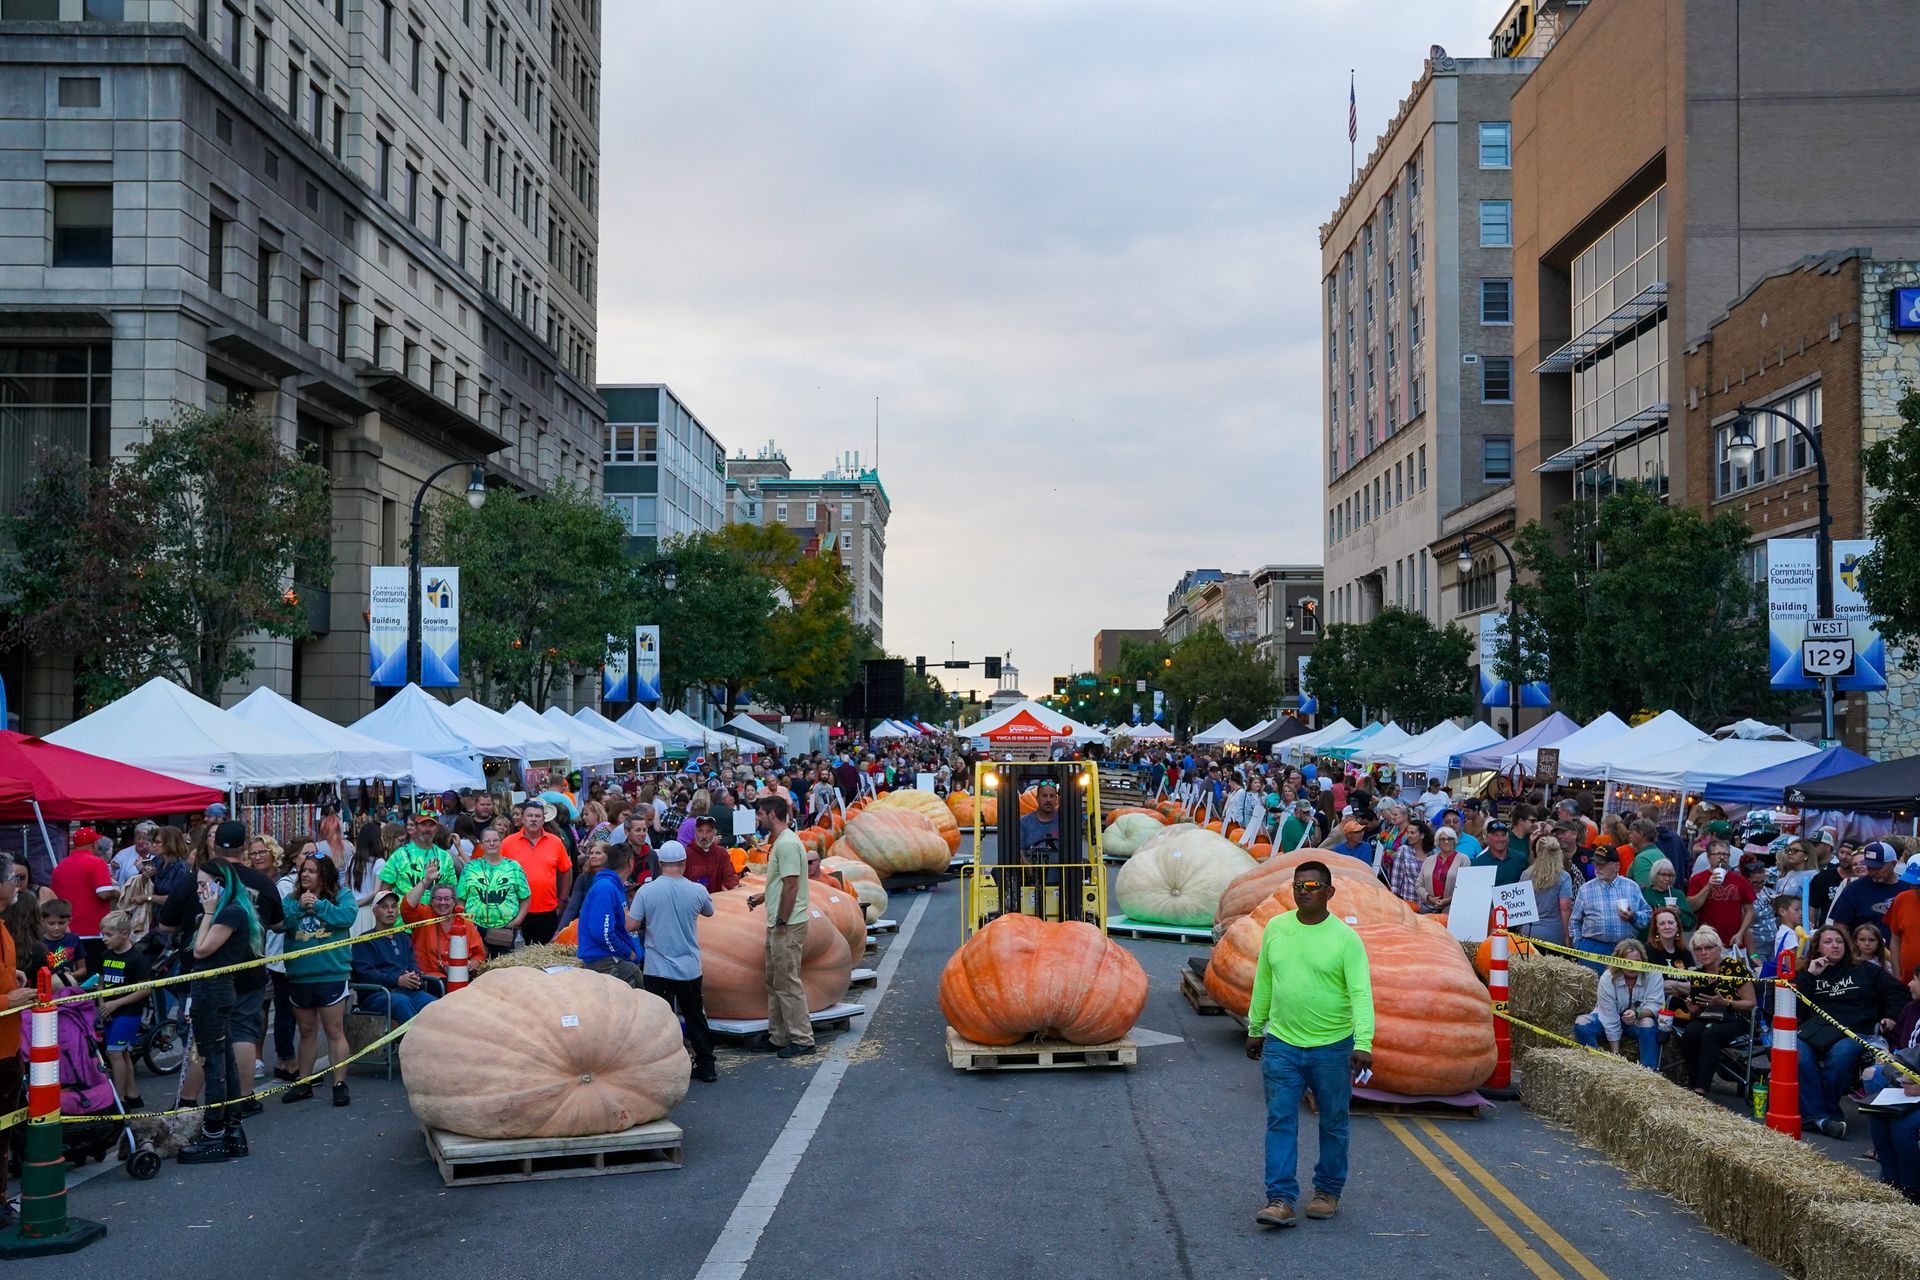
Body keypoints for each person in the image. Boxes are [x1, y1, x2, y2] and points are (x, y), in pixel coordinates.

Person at [1244, 859, 1373, 1228]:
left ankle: (1327, 1191)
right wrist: (1256, 1027)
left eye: (1313, 886)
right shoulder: (1276, 928)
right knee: (1280, 1119)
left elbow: (1361, 994)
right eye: (1299, 886)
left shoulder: (1346, 939)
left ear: (1329, 893)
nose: (1304, 891)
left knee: (1333, 1121)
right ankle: (1280, 1198)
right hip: (1282, 1043)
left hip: (1333, 1047)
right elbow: (1264, 980)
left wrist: (1363, 1042)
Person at [177, 858, 264, 1164]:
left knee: (213, 1063)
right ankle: (232, 1131)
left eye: (204, 883)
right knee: (223, 1060)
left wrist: (209, 912)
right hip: (214, 990)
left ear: (221, 883)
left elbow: (200, 950)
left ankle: (214, 1135)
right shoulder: (235, 910)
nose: (200, 890)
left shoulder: (229, 912)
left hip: (213, 990)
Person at [1793, 923, 1908, 1138]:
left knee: (1841, 1055)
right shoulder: (1808, 972)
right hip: (1815, 1032)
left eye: (1839, 941)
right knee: (1797, 1053)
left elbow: (1897, 992)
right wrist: (1809, 976)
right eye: (1828, 942)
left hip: (1854, 1031)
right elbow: (1796, 1007)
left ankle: (1820, 1115)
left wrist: (1890, 1016)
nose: (1835, 946)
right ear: (1818, 948)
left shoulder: (1865, 969)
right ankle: (1823, 1118)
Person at [627, 840, 718, 1082]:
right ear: (684, 863)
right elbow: (710, 912)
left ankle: (662, 1068)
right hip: (689, 965)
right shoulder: (697, 890)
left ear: (660, 863)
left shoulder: (647, 891)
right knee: (695, 1015)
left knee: (660, 1019)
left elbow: (632, 924)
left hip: (658, 966)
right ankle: (707, 1064)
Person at [277, 853, 358, 1107]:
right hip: (300, 976)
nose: (305, 875)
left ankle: (339, 1083)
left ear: (323, 874)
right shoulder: (291, 900)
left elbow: (347, 917)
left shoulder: (341, 895)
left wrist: (320, 906)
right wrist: (299, 907)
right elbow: (278, 925)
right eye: (303, 870)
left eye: (311, 871)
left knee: (334, 1032)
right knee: (307, 1032)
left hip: (331, 974)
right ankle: (304, 1083)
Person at [745, 794, 813, 1058]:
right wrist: (764, 897)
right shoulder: (782, 842)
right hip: (778, 921)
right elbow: (783, 882)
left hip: (787, 923)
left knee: (788, 982)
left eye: (760, 813)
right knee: (775, 981)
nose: (758, 818)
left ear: (772, 814)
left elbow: (792, 885)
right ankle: (779, 1036)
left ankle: (802, 1038)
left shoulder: (786, 844)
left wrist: (783, 919)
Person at [1665, 926, 1756, 1097]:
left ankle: (1701, 1088)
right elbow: (1697, 1010)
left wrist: (1725, 1002)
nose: (1703, 953)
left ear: (1719, 949)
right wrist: (1693, 1010)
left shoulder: (1734, 967)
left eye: (1708, 948)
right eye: (1698, 949)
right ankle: (1693, 1081)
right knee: (1691, 1033)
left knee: (1710, 1034)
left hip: (1737, 1016)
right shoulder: (1698, 974)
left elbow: (1751, 1003)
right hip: (1708, 1016)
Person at [1864, 968, 1920, 1200]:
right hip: (1912, 1083)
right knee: (1878, 1113)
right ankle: (1890, 1181)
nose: (1909, 983)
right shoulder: (1911, 1009)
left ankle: (1911, 1189)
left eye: (1916, 978)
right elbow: (1903, 1050)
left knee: (1903, 1126)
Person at [1573, 938, 1666, 1067]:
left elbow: (1655, 1004)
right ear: (1618, 961)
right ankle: (1597, 1066)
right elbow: (1609, 1016)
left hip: (1637, 1020)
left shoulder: (1654, 974)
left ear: (1643, 961)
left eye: (1637, 962)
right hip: (1607, 1019)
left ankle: (1650, 1073)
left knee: (1648, 1023)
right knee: (1582, 1023)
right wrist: (1615, 1056)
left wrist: (1637, 1013)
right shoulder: (1607, 977)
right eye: (1627, 962)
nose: (1632, 966)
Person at [95, 909, 153, 1110]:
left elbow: (145, 989)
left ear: (125, 934)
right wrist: (102, 1002)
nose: (104, 939)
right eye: (102, 934)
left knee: (114, 1053)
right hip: (110, 1012)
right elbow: (101, 982)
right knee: (123, 1053)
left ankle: (118, 1099)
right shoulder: (106, 955)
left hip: (128, 1013)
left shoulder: (137, 958)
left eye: (109, 935)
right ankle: (132, 1093)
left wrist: (116, 1003)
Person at [351, 891, 436, 1022]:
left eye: (394, 906)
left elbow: (413, 964)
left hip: (406, 991)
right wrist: (397, 980)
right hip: (377, 994)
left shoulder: (404, 937)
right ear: (374, 911)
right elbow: (366, 974)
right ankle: (412, 1042)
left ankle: (433, 1042)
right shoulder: (364, 940)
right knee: (402, 1003)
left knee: (435, 1005)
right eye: (384, 907)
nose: (390, 910)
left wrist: (414, 977)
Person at [501, 800, 573, 945]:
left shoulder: (555, 842)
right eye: (529, 816)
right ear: (522, 819)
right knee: (517, 956)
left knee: (544, 957)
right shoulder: (508, 843)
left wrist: (563, 900)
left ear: (544, 819)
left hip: (547, 910)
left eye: (538, 816)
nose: (533, 819)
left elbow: (566, 871)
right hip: (516, 910)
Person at [1569, 847, 1651, 970]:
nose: (1597, 868)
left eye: (1602, 864)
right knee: (1593, 988)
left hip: (1625, 949)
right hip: (1594, 949)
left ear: (1617, 866)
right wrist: (1579, 946)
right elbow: (1574, 921)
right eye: (1595, 863)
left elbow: (1647, 916)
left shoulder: (1631, 886)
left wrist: (1633, 917)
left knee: (1624, 987)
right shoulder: (1585, 889)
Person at [50, 826, 117, 973]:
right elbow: (104, 894)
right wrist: (120, 893)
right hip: (94, 932)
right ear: (94, 844)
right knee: (95, 976)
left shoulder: (60, 867)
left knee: (67, 974)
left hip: (66, 932)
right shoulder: (97, 863)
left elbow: (54, 897)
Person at [456, 825, 530, 957]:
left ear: (501, 842)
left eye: (495, 840)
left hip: (505, 929)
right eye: (487, 841)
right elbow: (461, 899)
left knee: (504, 972)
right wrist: (466, 923)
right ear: (481, 844)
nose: (491, 843)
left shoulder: (514, 867)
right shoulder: (470, 868)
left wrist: (516, 921)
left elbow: (525, 898)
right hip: (475, 928)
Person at [402, 869, 486, 983]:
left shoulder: (465, 922)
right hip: (429, 980)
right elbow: (407, 907)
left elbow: (479, 955)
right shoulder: (424, 915)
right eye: (438, 898)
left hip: (460, 978)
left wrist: (472, 964)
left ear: (454, 902)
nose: (442, 903)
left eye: (447, 899)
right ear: (431, 901)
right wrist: (426, 881)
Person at [1686, 841, 1755, 954]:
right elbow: (1691, 906)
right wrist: (1708, 887)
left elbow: (1750, 911)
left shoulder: (1740, 880)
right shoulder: (1697, 879)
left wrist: (1740, 933)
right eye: (1718, 854)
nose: (1722, 857)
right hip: (1707, 944)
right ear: (1709, 857)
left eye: (1726, 854)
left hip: (1734, 943)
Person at [1830, 842, 1907, 940]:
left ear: (1893, 864)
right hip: (1864, 953)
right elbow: (1840, 925)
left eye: (1878, 867)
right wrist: (1853, 951)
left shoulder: (1906, 889)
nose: (1873, 872)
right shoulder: (1854, 889)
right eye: (1869, 867)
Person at [379, 813, 456, 898]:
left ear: (437, 829)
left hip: (435, 910)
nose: (427, 829)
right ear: (415, 827)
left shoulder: (445, 857)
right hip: (404, 910)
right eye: (423, 824)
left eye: (431, 825)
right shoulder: (399, 855)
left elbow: (452, 890)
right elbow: (385, 890)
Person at [1517, 835, 1573, 948]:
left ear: (1537, 852)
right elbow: (1565, 907)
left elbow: (1520, 904)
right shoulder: (1563, 877)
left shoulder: (1526, 874)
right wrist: (1568, 937)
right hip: (1554, 933)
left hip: (1529, 932)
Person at [684, 815, 740, 893]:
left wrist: (736, 889)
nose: (704, 836)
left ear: (714, 833)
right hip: (692, 901)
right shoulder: (686, 854)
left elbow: (730, 877)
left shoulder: (721, 853)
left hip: (715, 901)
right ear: (695, 832)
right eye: (700, 831)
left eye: (708, 831)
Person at [1417, 827, 1466, 915]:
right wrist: (1429, 898)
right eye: (1443, 839)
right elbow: (1418, 885)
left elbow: (1465, 887)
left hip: (1452, 909)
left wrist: (1448, 900)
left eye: (1449, 839)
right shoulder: (1428, 860)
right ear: (1438, 842)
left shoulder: (1463, 860)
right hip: (1429, 910)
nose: (1446, 842)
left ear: (1454, 841)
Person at [1887, 855, 1920, 984]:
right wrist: (1896, 976)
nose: (1914, 888)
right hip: (1906, 983)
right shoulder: (1901, 899)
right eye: (1912, 884)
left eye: (1918, 885)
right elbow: (1895, 941)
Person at [1642, 860, 1696, 936]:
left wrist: (1679, 913)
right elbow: (1639, 923)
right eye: (1663, 875)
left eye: (1670, 875)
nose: (1667, 879)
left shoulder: (1677, 895)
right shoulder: (1645, 894)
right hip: (1648, 940)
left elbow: (1690, 924)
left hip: (1672, 941)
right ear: (1654, 874)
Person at [1471, 819, 1528, 887]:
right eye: (1496, 835)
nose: (1500, 839)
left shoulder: (1520, 859)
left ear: (1508, 837)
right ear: (1488, 838)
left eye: (1503, 835)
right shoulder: (1478, 864)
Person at [1387, 820, 1430, 907]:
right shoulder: (1403, 850)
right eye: (1408, 832)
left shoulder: (1432, 853)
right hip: (1408, 900)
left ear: (1422, 835)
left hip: (1427, 902)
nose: (1408, 836)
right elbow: (1396, 877)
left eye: (1412, 833)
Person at [1017, 781, 1063, 857]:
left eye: (1051, 796)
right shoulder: (1024, 822)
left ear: (1056, 799)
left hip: (1062, 867)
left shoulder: (1065, 820)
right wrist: (1027, 865)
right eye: (1044, 796)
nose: (1048, 800)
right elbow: (1020, 851)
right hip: (1032, 865)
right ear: (1037, 799)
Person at [1645, 906, 1692, 974]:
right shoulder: (1648, 950)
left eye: (1670, 922)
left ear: (1677, 927)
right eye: (1662, 924)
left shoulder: (1684, 952)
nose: (1667, 927)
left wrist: (1678, 984)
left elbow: (1696, 982)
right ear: (1657, 929)